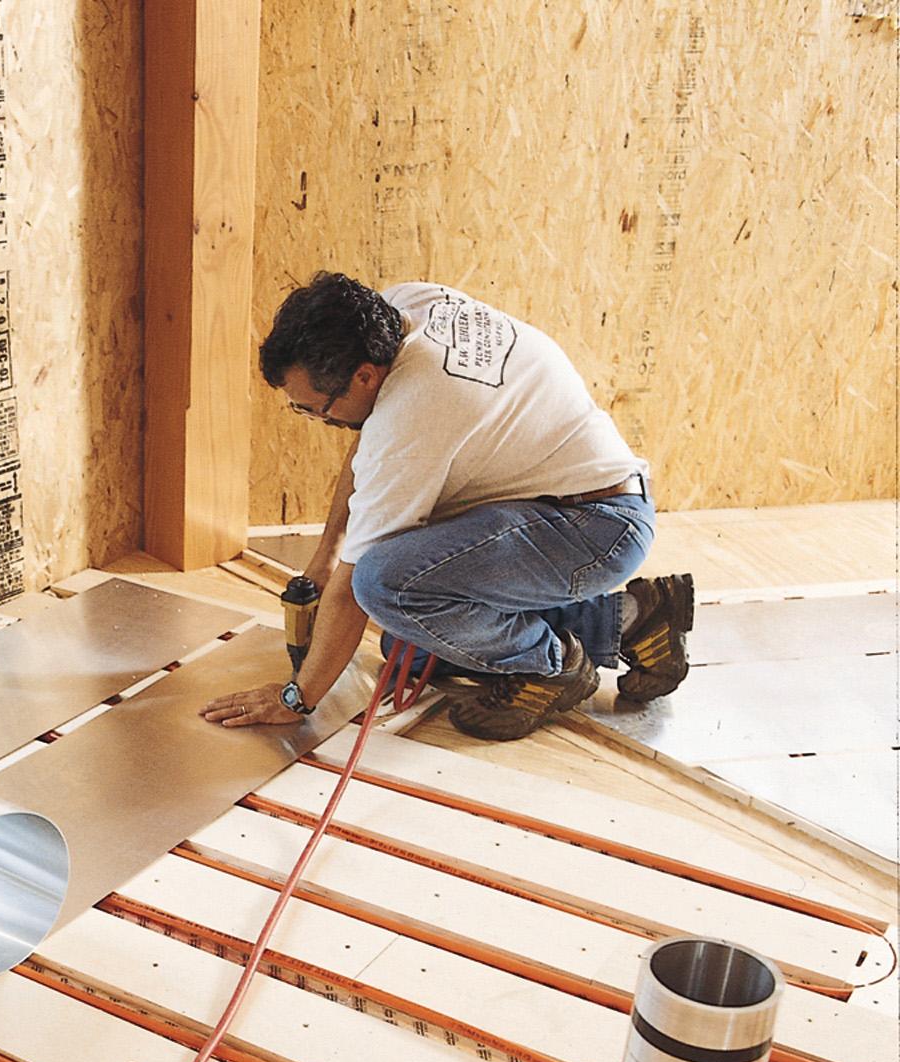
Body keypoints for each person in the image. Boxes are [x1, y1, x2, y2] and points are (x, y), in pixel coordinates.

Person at [202, 273, 692, 740]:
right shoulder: (401, 311)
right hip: (558, 506)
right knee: (409, 646)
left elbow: (355, 591)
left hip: (593, 530)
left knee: (386, 586)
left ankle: (553, 666)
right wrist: (324, 558)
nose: (313, 418)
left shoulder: (415, 409)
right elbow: (367, 453)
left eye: (313, 408)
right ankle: (635, 618)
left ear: (364, 377)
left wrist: (296, 698)